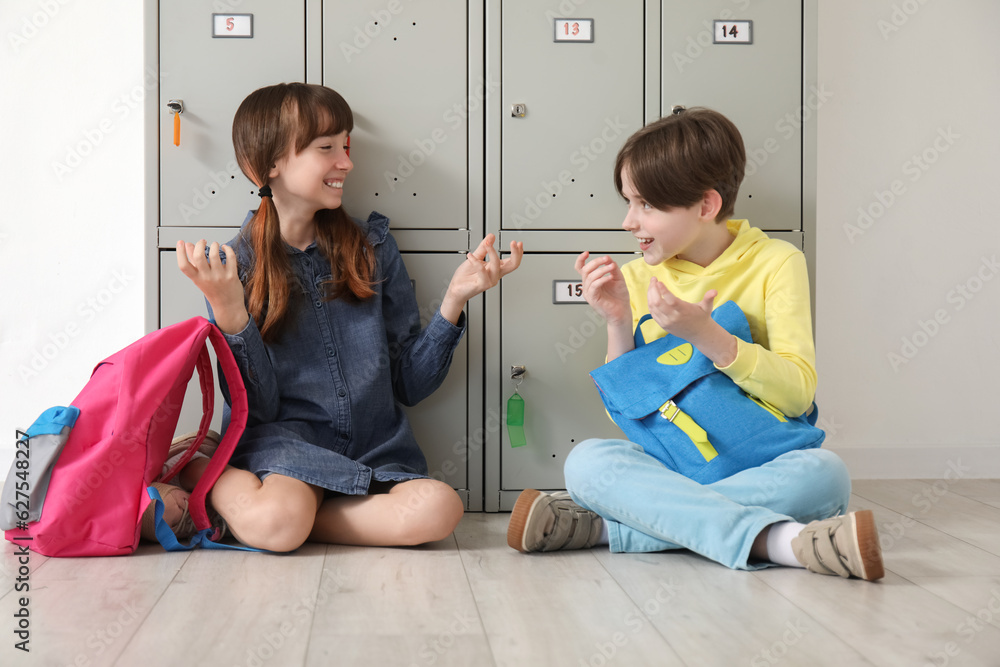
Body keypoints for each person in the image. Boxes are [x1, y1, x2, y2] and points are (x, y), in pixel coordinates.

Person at [506, 107, 884, 581]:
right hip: (675, 466)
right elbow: (631, 416)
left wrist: (708, 336)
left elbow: (797, 395)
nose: (628, 221)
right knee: (587, 463)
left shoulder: (777, 262)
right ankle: (784, 542)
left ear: (705, 206)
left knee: (826, 474)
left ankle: (612, 530)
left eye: (646, 205)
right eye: (628, 202)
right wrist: (618, 322)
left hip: (760, 465)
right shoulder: (636, 278)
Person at [154, 82, 522, 552]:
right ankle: (202, 464)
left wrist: (455, 298)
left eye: (345, 146)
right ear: (267, 165)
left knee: (441, 509)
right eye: (326, 148)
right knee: (277, 528)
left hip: (375, 448)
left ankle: (290, 518)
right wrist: (228, 308)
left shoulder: (372, 247)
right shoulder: (232, 265)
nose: (346, 162)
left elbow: (409, 385)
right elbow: (259, 408)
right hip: (287, 448)